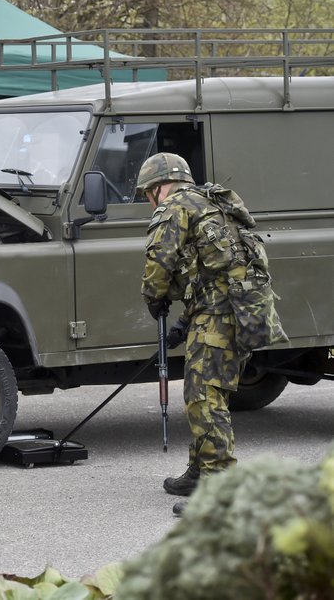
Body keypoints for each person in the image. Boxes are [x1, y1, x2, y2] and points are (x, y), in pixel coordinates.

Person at [137, 152, 269, 517]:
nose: (151, 201)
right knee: (204, 392)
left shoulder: (176, 205)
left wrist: (154, 297)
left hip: (220, 315)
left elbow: (159, 260)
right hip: (237, 312)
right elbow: (215, 271)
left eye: (149, 193)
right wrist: (185, 321)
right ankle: (200, 471)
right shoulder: (210, 202)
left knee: (205, 397)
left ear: (157, 187)